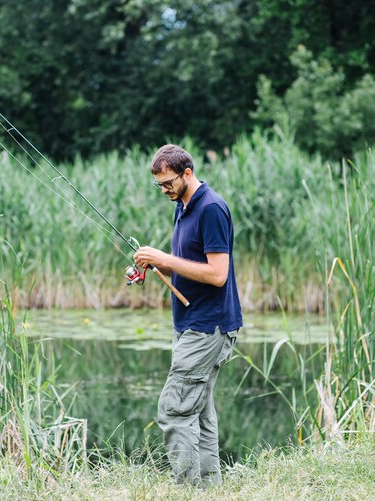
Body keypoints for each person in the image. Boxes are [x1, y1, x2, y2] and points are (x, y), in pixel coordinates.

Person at [133, 144, 242, 486]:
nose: (164, 189)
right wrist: (153, 265)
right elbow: (188, 262)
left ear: (187, 173)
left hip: (208, 327)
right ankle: (208, 488)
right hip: (190, 324)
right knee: (200, 413)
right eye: (159, 185)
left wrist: (165, 259)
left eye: (168, 183)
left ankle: (186, 489)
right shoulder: (183, 205)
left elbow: (217, 274)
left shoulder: (210, 209)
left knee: (174, 411)